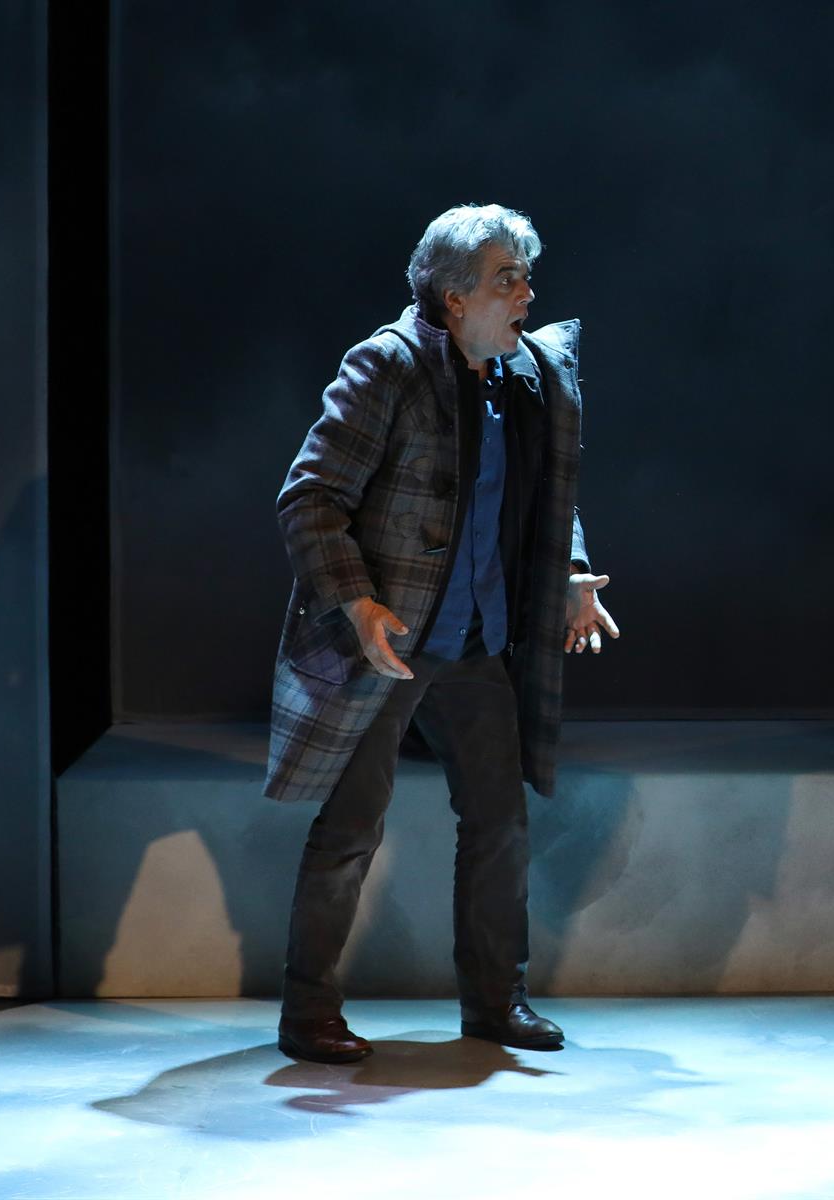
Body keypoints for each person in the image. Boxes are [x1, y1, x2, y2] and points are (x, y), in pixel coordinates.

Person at [264, 204, 620, 1064]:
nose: (527, 296)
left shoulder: (525, 376)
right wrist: (359, 605)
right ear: (454, 298)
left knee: (500, 824)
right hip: (389, 643)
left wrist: (572, 575)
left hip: (475, 640)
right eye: (507, 280)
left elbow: (551, 497)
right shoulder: (387, 366)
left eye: (527, 278)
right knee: (352, 828)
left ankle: (496, 1004)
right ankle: (308, 1012)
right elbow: (310, 499)